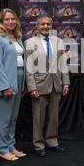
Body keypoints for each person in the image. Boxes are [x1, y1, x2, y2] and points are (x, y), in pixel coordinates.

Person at [25, 15, 70, 157]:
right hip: (39, 85)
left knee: (53, 117)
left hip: (56, 84)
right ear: (37, 26)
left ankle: (52, 142)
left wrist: (66, 82)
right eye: (42, 24)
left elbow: (63, 64)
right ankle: (38, 145)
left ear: (51, 26)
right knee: (38, 118)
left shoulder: (59, 42)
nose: (45, 26)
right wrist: (31, 87)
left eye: (48, 24)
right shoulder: (29, 43)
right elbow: (28, 67)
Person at [0, 8, 27, 161]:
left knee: (13, 117)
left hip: (19, 79)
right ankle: (2, 149)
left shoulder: (17, 38)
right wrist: (5, 86)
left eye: (13, 19)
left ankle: (11, 146)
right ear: (1, 22)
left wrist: (22, 83)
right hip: (6, 82)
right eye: (7, 19)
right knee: (4, 118)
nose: (10, 22)